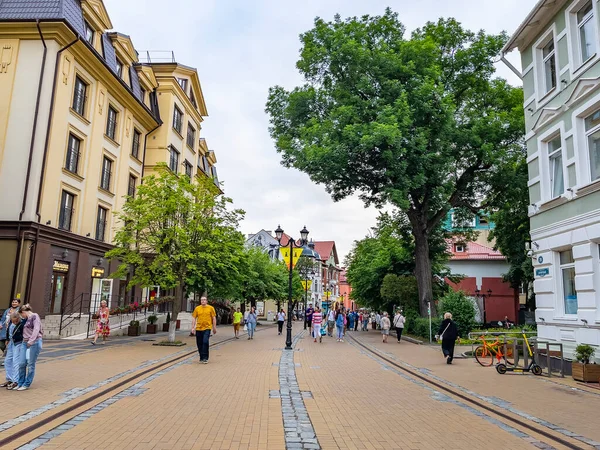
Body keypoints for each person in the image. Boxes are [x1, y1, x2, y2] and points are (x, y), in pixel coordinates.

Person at [16, 304, 43, 390]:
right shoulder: (25, 319)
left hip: (34, 342)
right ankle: (20, 382)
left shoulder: (35, 316)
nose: (22, 316)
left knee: (31, 364)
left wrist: (31, 341)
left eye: (21, 314)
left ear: (23, 312)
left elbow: (36, 329)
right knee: (21, 363)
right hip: (25, 342)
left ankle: (26, 384)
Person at [1, 312, 25, 390]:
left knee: (16, 361)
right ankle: (9, 379)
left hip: (18, 342)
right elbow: (8, 330)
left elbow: (23, 334)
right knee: (7, 361)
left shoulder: (22, 324)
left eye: (16, 321)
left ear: (18, 319)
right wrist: (7, 338)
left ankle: (16, 380)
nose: (14, 322)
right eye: (13, 321)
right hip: (11, 342)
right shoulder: (11, 321)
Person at [191, 296, 217, 364]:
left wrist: (214, 327)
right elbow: (194, 318)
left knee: (205, 342)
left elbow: (214, 318)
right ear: (200, 301)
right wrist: (193, 327)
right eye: (202, 300)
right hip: (199, 328)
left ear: (207, 301)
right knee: (199, 343)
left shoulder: (210, 308)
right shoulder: (197, 308)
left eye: (204, 300)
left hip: (207, 328)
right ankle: (201, 357)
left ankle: (205, 357)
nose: (203, 301)